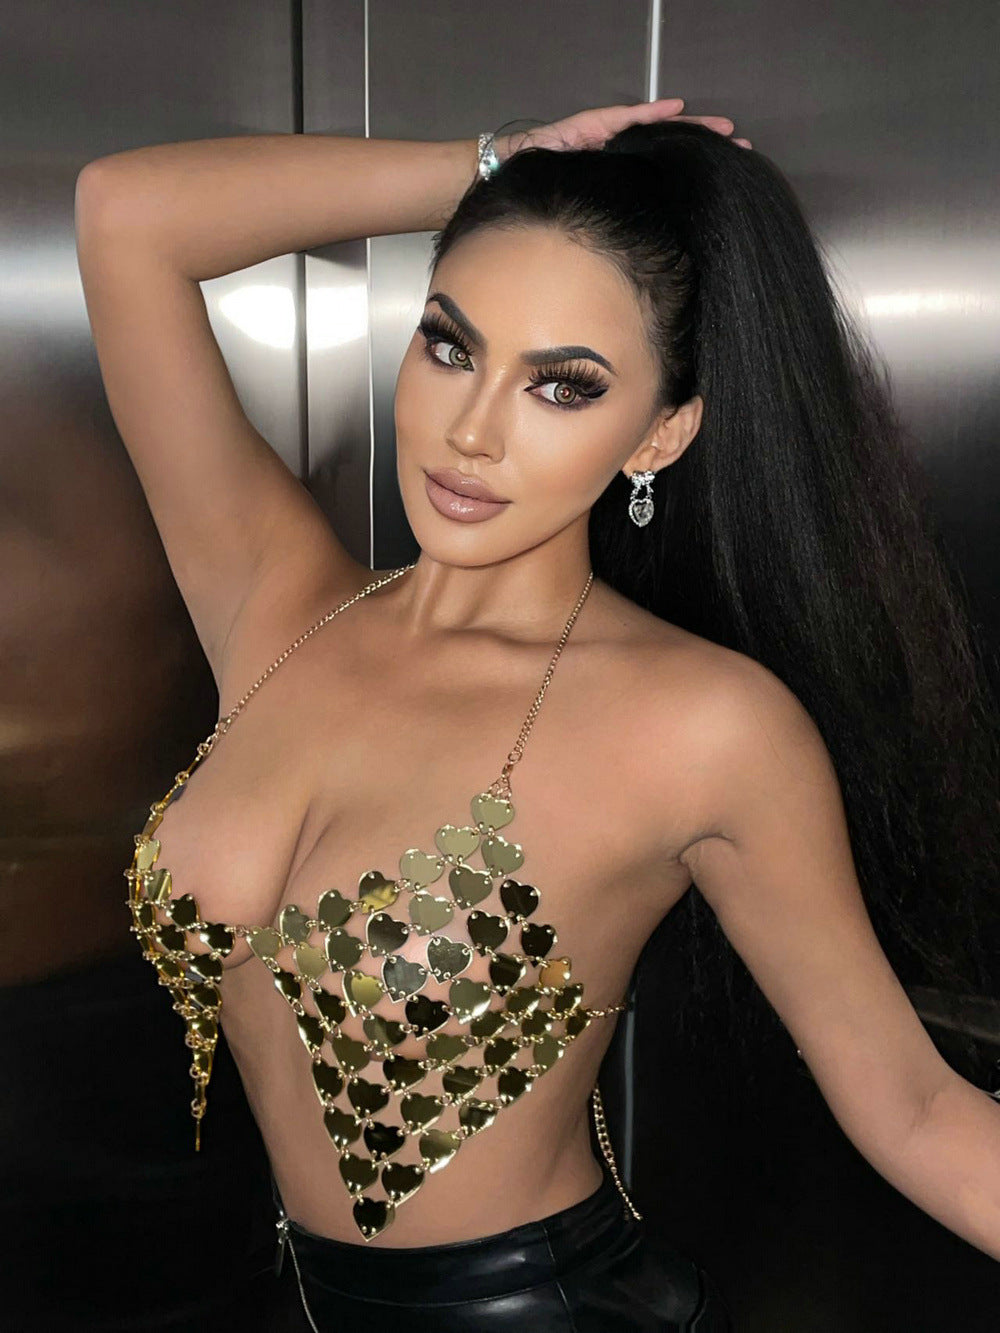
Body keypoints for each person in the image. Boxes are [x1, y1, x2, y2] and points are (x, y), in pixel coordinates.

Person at [74, 97, 1000, 1331]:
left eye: (562, 386)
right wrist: (488, 164)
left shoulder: (703, 724)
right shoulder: (275, 602)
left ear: (659, 432)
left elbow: (916, 1110)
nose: (471, 431)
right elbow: (124, 217)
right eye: (450, 346)